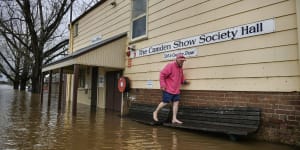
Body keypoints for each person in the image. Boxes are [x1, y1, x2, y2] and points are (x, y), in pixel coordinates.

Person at [153, 53, 189, 124]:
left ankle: (174, 119)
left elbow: (181, 79)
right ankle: (155, 112)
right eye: (181, 60)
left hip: (176, 90)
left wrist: (184, 81)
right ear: (177, 59)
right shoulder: (170, 65)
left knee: (176, 103)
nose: (182, 62)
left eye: (183, 61)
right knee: (165, 102)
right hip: (168, 89)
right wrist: (163, 85)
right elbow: (162, 75)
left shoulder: (180, 69)